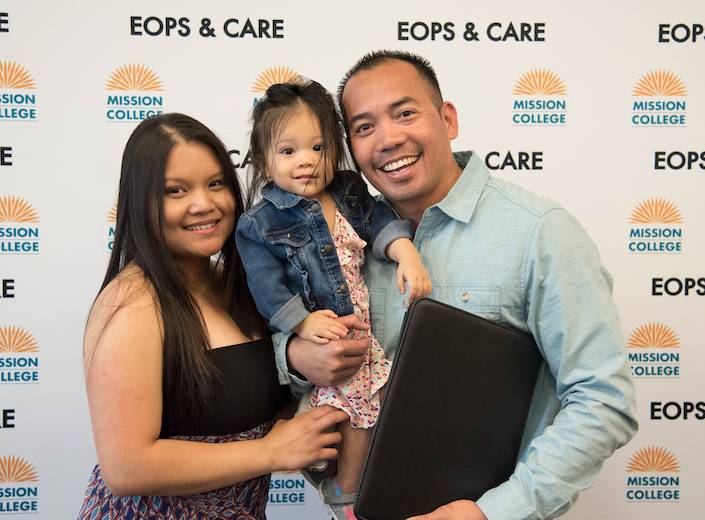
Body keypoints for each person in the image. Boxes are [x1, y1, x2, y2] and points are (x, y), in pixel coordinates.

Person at [277, 51, 638, 520]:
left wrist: (492, 513)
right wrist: (295, 358)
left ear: (448, 119)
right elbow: (282, 355)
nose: (388, 138)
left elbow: (602, 399)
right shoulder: (331, 236)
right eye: (364, 127)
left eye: (405, 113)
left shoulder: (540, 231)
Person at [78, 113, 347, 520]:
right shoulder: (131, 304)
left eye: (215, 183)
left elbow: (250, 399)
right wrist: (270, 451)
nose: (204, 204)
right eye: (175, 190)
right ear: (140, 200)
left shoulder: (239, 283)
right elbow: (127, 466)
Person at [235, 81, 431, 516]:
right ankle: (348, 494)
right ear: (264, 159)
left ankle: (348, 488)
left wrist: (407, 253)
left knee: (364, 411)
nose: (306, 161)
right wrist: (302, 324)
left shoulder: (347, 191)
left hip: (361, 331)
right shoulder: (259, 223)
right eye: (288, 152)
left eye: (318, 148)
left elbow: (380, 222)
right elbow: (267, 288)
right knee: (352, 411)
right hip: (325, 331)